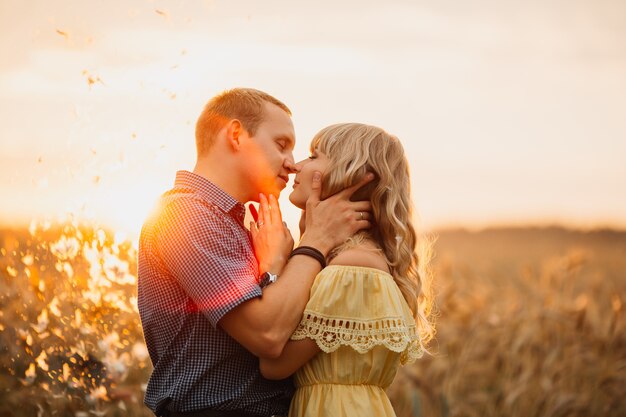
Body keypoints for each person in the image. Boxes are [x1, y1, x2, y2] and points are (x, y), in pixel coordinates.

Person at [137, 89, 373, 417]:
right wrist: (316, 242)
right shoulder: (185, 214)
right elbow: (267, 335)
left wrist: (275, 267)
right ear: (236, 135)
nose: (292, 164)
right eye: (281, 144)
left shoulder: (243, 226)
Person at [258, 123, 436, 417]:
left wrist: (273, 268)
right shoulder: (345, 260)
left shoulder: (353, 267)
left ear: (349, 174)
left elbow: (273, 366)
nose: (296, 166)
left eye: (314, 156)